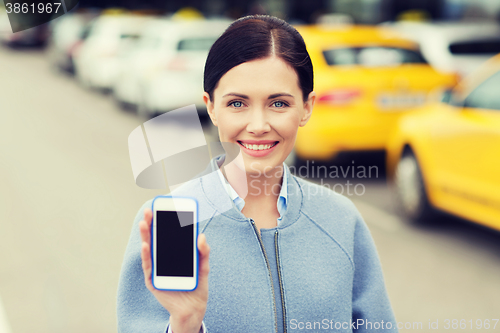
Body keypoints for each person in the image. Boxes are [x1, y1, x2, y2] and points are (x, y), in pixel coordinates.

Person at [117, 15, 398, 333]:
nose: (259, 125)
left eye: (278, 103)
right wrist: (185, 324)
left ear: (306, 107)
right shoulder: (172, 223)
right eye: (237, 103)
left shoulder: (341, 220)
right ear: (210, 107)